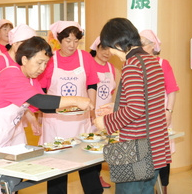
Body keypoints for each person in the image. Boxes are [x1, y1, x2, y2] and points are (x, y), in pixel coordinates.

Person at [0, 36, 94, 194]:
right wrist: (76, 100)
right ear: (24, 59)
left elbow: (44, 107)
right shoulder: (12, 75)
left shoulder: (30, 80)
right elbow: (40, 100)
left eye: (45, 63)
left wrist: (75, 107)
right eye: (39, 62)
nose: (42, 68)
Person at [94, 18, 171, 194]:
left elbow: (136, 109)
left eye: (110, 48)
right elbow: (148, 101)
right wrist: (117, 106)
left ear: (118, 43)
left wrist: (105, 121)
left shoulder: (132, 65)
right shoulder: (152, 61)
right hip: (156, 146)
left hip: (136, 150)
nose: (112, 53)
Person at [38, 21, 102, 194]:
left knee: (87, 162)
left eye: (76, 41)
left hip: (80, 120)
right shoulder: (50, 60)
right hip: (55, 121)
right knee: (57, 167)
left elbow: (92, 84)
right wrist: (38, 115)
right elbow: (41, 91)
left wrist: (92, 110)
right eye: (68, 41)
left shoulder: (85, 58)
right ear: (59, 40)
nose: (72, 45)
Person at [0, 23, 41, 142]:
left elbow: (32, 97)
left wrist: (31, 118)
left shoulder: (28, 65)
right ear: (15, 44)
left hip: (16, 123)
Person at [140, 29, 179, 194]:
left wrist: (168, 110)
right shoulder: (135, 63)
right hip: (140, 117)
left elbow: (172, 89)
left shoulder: (163, 63)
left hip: (160, 115)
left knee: (161, 152)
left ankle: (163, 187)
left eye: (142, 44)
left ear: (152, 46)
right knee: (142, 152)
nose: (139, 48)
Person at [90, 36, 116, 189]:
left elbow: (111, 91)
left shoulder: (111, 68)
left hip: (106, 116)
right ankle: (93, 179)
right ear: (96, 48)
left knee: (104, 146)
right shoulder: (89, 64)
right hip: (91, 114)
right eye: (103, 48)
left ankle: (98, 176)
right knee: (91, 147)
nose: (107, 53)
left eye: (109, 49)